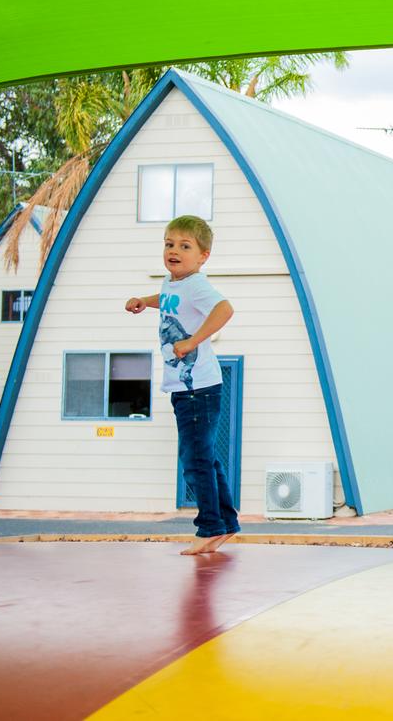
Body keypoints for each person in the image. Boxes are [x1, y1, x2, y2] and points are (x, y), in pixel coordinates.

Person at [125, 215, 238, 556]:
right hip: (187, 388)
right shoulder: (172, 283)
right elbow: (168, 299)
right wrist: (145, 301)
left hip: (197, 389)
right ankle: (226, 523)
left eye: (185, 246)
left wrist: (192, 342)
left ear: (203, 256)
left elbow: (225, 309)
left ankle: (209, 526)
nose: (174, 251)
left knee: (195, 459)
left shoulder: (196, 285)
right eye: (169, 244)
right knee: (207, 458)